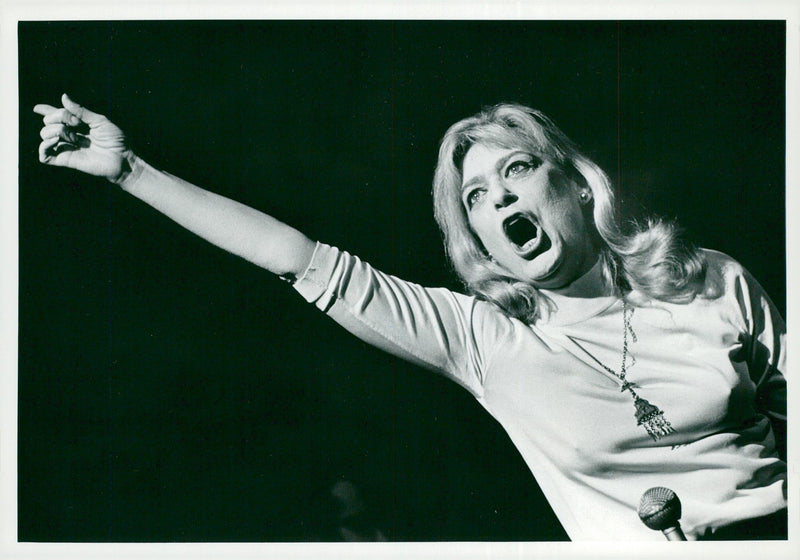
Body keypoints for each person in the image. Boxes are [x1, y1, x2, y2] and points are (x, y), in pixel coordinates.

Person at [33, 94, 787, 541]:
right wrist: (131, 171)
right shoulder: (484, 340)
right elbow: (299, 258)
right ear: (479, 238)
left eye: (516, 170)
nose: (500, 201)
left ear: (579, 184)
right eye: (476, 198)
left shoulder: (704, 277)